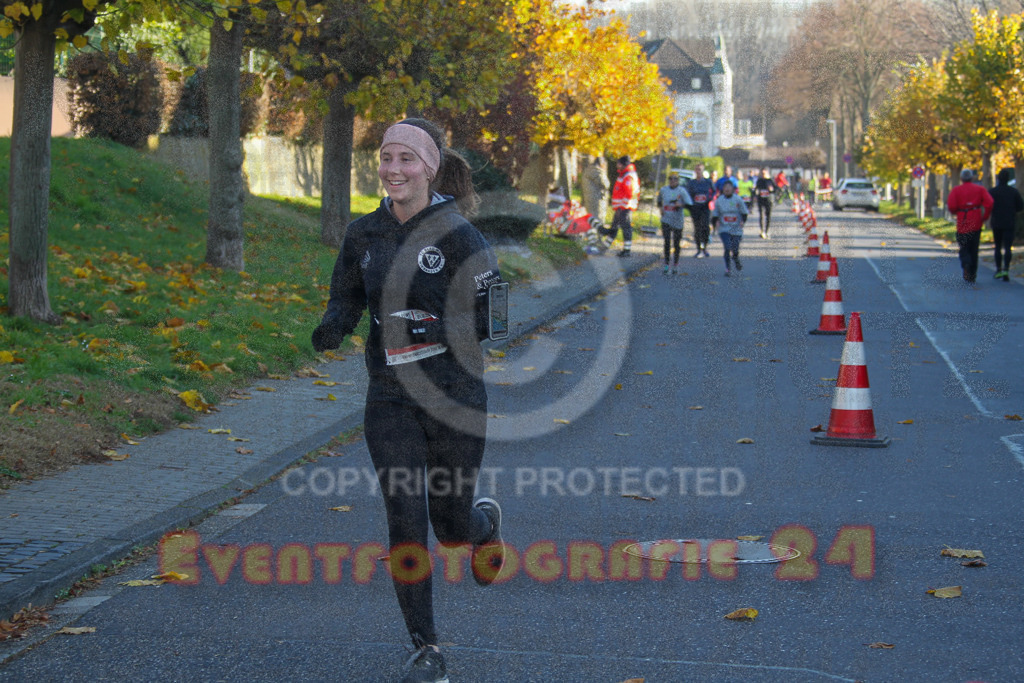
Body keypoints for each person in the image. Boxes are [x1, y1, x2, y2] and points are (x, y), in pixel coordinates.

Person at [311, 118, 506, 683]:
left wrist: (440, 328)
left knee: (448, 526)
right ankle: (427, 649)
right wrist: (333, 325)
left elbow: (498, 317)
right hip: (390, 398)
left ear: (431, 168)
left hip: (455, 398)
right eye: (387, 158)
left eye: (407, 160)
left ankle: (481, 526)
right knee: (405, 520)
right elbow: (344, 296)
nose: (394, 170)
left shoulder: (460, 236)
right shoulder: (363, 234)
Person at [946, 168, 994, 283]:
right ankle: (972, 273)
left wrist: (956, 212)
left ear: (961, 179)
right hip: (976, 219)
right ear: (972, 178)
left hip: (963, 220)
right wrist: (985, 216)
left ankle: (966, 263)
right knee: (974, 248)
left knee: (963, 246)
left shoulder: (956, 190)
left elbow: (951, 206)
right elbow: (990, 202)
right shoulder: (980, 189)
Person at [988, 168, 1024, 281]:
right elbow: (1020, 206)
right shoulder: (1013, 192)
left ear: (998, 178)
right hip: (1009, 222)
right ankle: (1006, 270)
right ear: (1008, 179)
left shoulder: (992, 192)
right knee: (1008, 247)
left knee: (997, 246)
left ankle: (998, 269)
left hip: (996, 222)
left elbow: (988, 205)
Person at [657, 171, 693, 274]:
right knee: (667, 242)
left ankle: (676, 264)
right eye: (671, 179)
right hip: (666, 219)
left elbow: (690, 205)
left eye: (675, 179)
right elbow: (659, 200)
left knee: (676, 243)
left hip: (677, 220)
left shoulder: (682, 191)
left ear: (678, 180)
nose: (672, 181)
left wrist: (680, 205)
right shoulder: (664, 190)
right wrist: (660, 208)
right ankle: (666, 264)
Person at [711, 179, 749, 277]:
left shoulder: (738, 200)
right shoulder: (719, 201)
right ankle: (728, 269)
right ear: (722, 189)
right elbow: (715, 215)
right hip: (724, 228)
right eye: (725, 188)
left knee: (735, 249)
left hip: (736, 228)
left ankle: (736, 258)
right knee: (727, 247)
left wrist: (742, 221)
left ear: (733, 189)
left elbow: (744, 213)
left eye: (729, 187)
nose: (727, 189)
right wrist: (716, 223)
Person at [605, 155, 640, 257]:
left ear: (622, 164)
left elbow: (629, 192)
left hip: (625, 207)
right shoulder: (625, 174)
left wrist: (623, 206)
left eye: (618, 163)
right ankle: (605, 247)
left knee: (625, 228)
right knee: (615, 227)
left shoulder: (628, 175)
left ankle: (626, 250)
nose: (617, 165)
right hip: (622, 207)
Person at [686, 163, 714, 258]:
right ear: (695, 171)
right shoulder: (691, 183)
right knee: (697, 228)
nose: (698, 171)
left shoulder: (708, 182)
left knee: (705, 227)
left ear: (703, 171)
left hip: (705, 207)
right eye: (697, 169)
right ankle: (698, 249)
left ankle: (705, 248)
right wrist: (691, 203)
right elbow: (687, 194)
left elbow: (714, 192)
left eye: (700, 169)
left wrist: (710, 199)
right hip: (695, 208)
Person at [581, 154, 610, 228]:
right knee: (598, 218)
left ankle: (591, 235)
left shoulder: (588, 170)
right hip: (597, 199)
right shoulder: (597, 171)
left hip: (589, 198)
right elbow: (605, 184)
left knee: (591, 218)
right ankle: (598, 236)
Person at [752, 168, 777, 239]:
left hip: (769, 201)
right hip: (761, 200)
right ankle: (762, 231)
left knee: (768, 216)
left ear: (767, 173)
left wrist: (772, 190)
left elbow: (776, 189)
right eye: (762, 173)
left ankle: (767, 230)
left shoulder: (771, 180)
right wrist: (755, 193)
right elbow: (756, 189)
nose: (763, 175)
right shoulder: (759, 180)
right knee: (761, 216)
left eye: (764, 173)